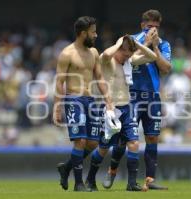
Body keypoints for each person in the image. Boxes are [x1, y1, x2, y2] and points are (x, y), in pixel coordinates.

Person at [102, 9, 172, 190]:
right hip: (130, 95)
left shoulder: (164, 45)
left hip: (152, 96)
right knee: (123, 138)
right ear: (142, 25)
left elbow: (165, 68)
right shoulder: (130, 41)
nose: (153, 30)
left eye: (156, 27)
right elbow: (126, 59)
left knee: (152, 137)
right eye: (149, 26)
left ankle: (150, 179)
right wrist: (146, 43)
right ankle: (112, 171)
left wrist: (154, 46)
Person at [85, 35, 158, 191]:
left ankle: (131, 184)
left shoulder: (129, 62)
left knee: (134, 143)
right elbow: (105, 55)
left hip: (127, 109)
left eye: (129, 54)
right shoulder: (108, 62)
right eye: (125, 53)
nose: (127, 57)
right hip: (110, 110)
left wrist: (138, 43)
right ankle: (90, 180)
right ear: (118, 50)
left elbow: (152, 56)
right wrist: (119, 42)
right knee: (103, 149)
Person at [53, 16, 113, 192]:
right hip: (74, 99)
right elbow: (59, 82)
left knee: (93, 143)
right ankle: (78, 184)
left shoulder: (93, 52)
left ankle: (67, 168)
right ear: (82, 33)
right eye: (93, 32)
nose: (96, 34)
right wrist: (57, 107)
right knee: (80, 141)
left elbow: (100, 77)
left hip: (90, 100)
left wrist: (108, 100)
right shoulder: (67, 54)